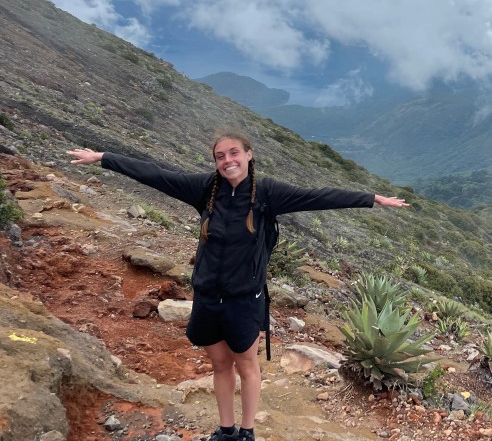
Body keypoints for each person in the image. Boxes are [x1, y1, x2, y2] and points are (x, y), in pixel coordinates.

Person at [68, 131, 409, 441]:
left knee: (246, 364)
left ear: (249, 155)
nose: (228, 160)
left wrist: (371, 198)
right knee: (219, 364)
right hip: (207, 297)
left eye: (234, 153)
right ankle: (226, 429)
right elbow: (156, 175)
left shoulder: (268, 193)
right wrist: (104, 158)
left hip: (244, 300)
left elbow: (317, 197)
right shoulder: (205, 188)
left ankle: (247, 432)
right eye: (220, 156)